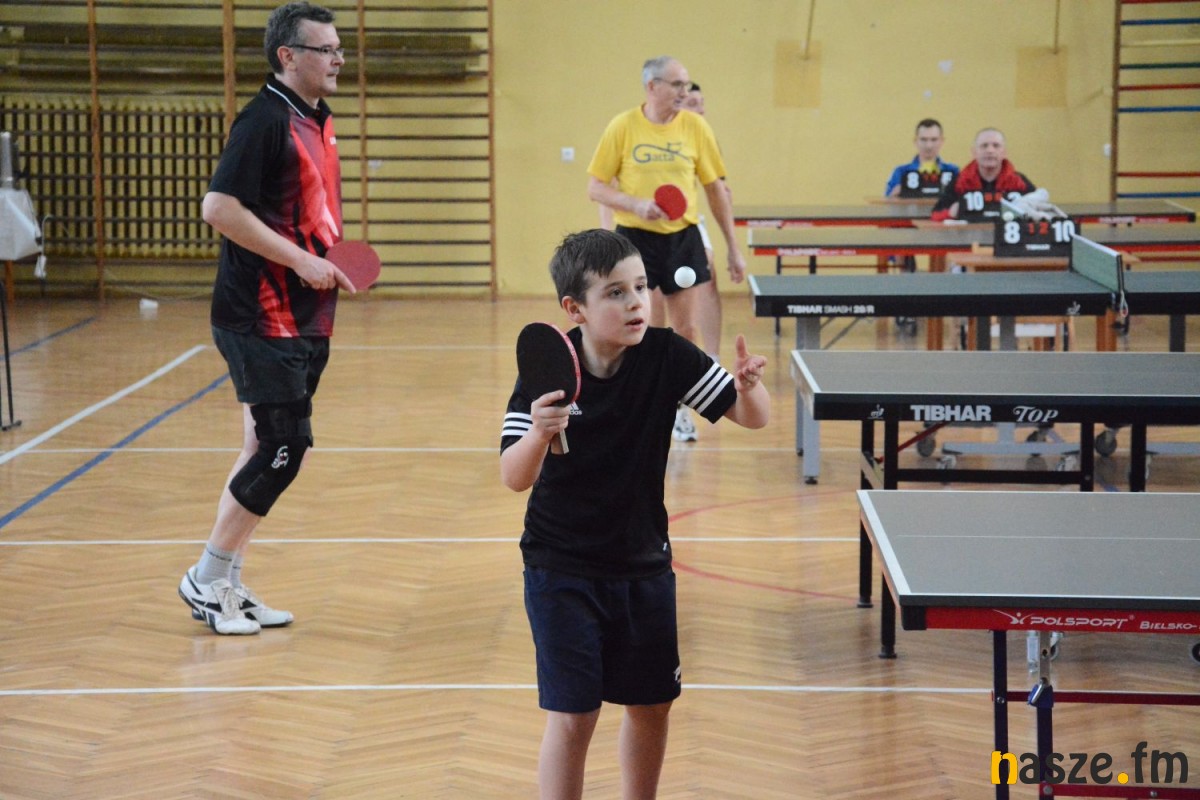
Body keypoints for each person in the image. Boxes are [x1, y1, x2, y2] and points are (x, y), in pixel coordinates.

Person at [500, 228, 769, 800]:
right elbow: (513, 476)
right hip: (561, 567)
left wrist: (748, 388)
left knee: (652, 706)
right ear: (575, 308)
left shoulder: (668, 355)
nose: (636, 303)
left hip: (642, 564)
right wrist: (539, 435)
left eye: (642, 287)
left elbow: (753, 417)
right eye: (616, 293)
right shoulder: (549, 368)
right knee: (575, 715)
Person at [178, 1, 353, 635]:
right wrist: (300, 261)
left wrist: (326, 261)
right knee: (284, 447)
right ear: (288, 56)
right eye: (326, 49)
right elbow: (219, 207)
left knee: (263, 446)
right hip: (262, 313)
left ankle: (224, 581)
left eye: (339, 48)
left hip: (305, 313)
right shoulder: (263, 120)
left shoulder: (316, 120)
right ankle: (206, 577)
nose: (338, 59)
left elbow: (299, 212)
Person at [586, 56, 746, 443]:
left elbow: (715, 190)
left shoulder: (696, 127)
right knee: (642, 326)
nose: (684, 92)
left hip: (681, 239)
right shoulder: (623, 126)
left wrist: (732, 247)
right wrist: (635, 204)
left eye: (687, 85)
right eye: (676, 84)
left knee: (684, 328)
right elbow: (596, 187)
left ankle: (680, 409)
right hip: (635, 240)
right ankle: (637, 402)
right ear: (652, 86)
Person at [932, 127, 1035, 221]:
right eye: (984, 146)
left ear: (1004, 152)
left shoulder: (1019, 182)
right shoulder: (960, 181)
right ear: (974, 152)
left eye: (996, 146)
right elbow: (936, 215)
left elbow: (1039, 212)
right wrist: (950, 213)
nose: (990, 150)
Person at [884, 118, 959, 198]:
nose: (929, 146)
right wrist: (894, 195)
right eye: (923, 139)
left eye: (934, 140)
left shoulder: (953, 171)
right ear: (915, 141)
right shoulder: (901, 172)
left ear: (942, 141)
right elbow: (886, 202)